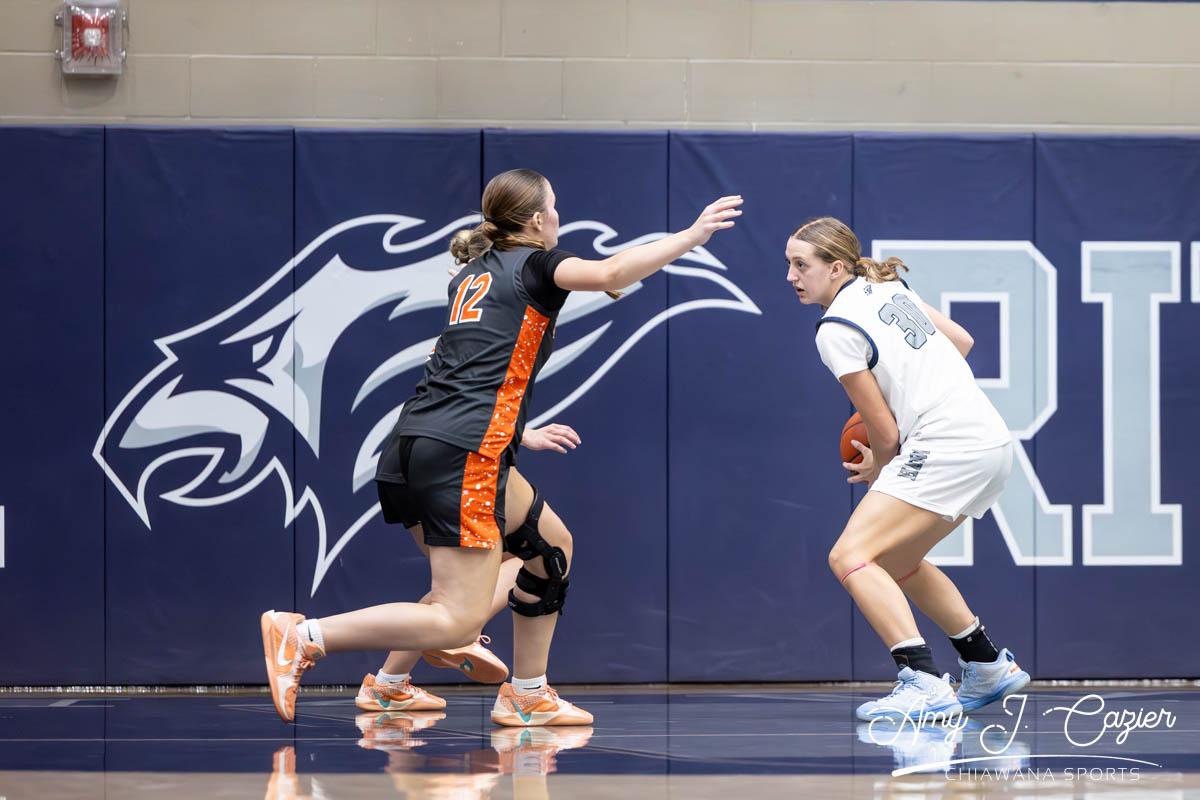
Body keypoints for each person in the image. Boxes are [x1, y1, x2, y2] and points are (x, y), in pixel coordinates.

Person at [261, 167, 743, 724]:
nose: (558, 216)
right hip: (463, 453)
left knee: (548, 550)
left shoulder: (473, 273)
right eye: (554, 207)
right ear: (536, 219)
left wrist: (518, 431)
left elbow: (467, 364)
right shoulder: (538, 264)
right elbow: (612, 271)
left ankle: (517, 693)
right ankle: (304, 636)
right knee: (457, 618)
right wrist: (691, 236)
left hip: (421, 442)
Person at [786, 216, 1030, 721]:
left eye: (800, 264)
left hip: (945, 444)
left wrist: (879, 469)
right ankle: (986, 665)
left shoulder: (836, 329)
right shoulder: (886, 286)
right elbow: (962, 341)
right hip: (990, 441)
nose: (791, 276)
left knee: (849, 556)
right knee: (897, 561)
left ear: (835, 268)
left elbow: (884, 432)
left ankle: (922, 681)